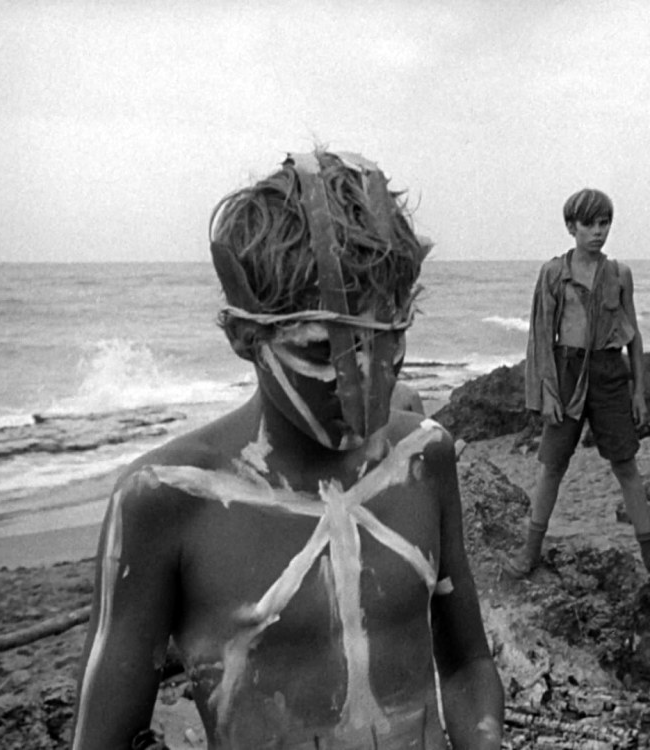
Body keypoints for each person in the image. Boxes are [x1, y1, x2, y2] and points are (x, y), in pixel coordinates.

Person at [72, 150, 504, 750]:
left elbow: (466, 664)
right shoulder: (166, 499)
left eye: (386, 343)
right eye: (322, 351)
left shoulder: (423, 458)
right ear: (245, 336)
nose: (363, 380)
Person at [505, 188, 650, 578]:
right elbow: (541, 336)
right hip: (566, 371)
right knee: (552, 465)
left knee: (626, 465)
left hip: (609, 373)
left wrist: (638, 392)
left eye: (604, 223)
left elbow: (633, 334)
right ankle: (530, 550)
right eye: (589, 224)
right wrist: (546, 391)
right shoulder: (554, 273)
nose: (598, 232)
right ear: (571, 227)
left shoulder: (619, 273)